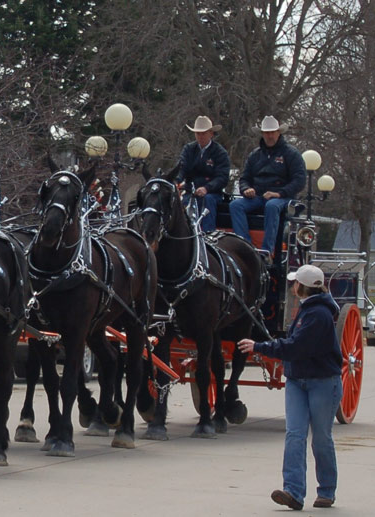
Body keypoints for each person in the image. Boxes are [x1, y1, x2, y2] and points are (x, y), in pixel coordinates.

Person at [238, 264, 342, 511]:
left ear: (301, 287)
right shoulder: (308, 309)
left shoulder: (319, 315)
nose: (293, 285)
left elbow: (296, 347)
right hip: (297, 381)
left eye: (295, 282)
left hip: (322, 383)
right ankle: (293, 492)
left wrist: (260, 346)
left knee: (321, 438)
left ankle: (326, 490)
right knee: (294, 435)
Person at [229, 116, 306, 258]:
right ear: (262, 134)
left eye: (272, 132)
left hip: (282, 198)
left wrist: (279, 193)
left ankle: (267, 251)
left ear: (278, 133)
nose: (269, 136)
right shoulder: (255, 155)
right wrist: (246, 189)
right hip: (258, 196)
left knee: (271, 206)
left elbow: (300, 180)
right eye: (266, 133)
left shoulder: (291, 154)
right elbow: (244, 178)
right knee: (235, 205)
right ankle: (245, 245)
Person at [176, 116, 230, 232]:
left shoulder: (220, 152)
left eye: (203, 133)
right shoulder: (188, 149)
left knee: (207, 201)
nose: (200, 137)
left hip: (212, 194)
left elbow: (222, 177)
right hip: (191, 191)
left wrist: (207, 188)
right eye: (198, 134)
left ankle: (207, 234)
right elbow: (181, 167)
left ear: (211, 133)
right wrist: (176, 181)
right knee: (180, 206)